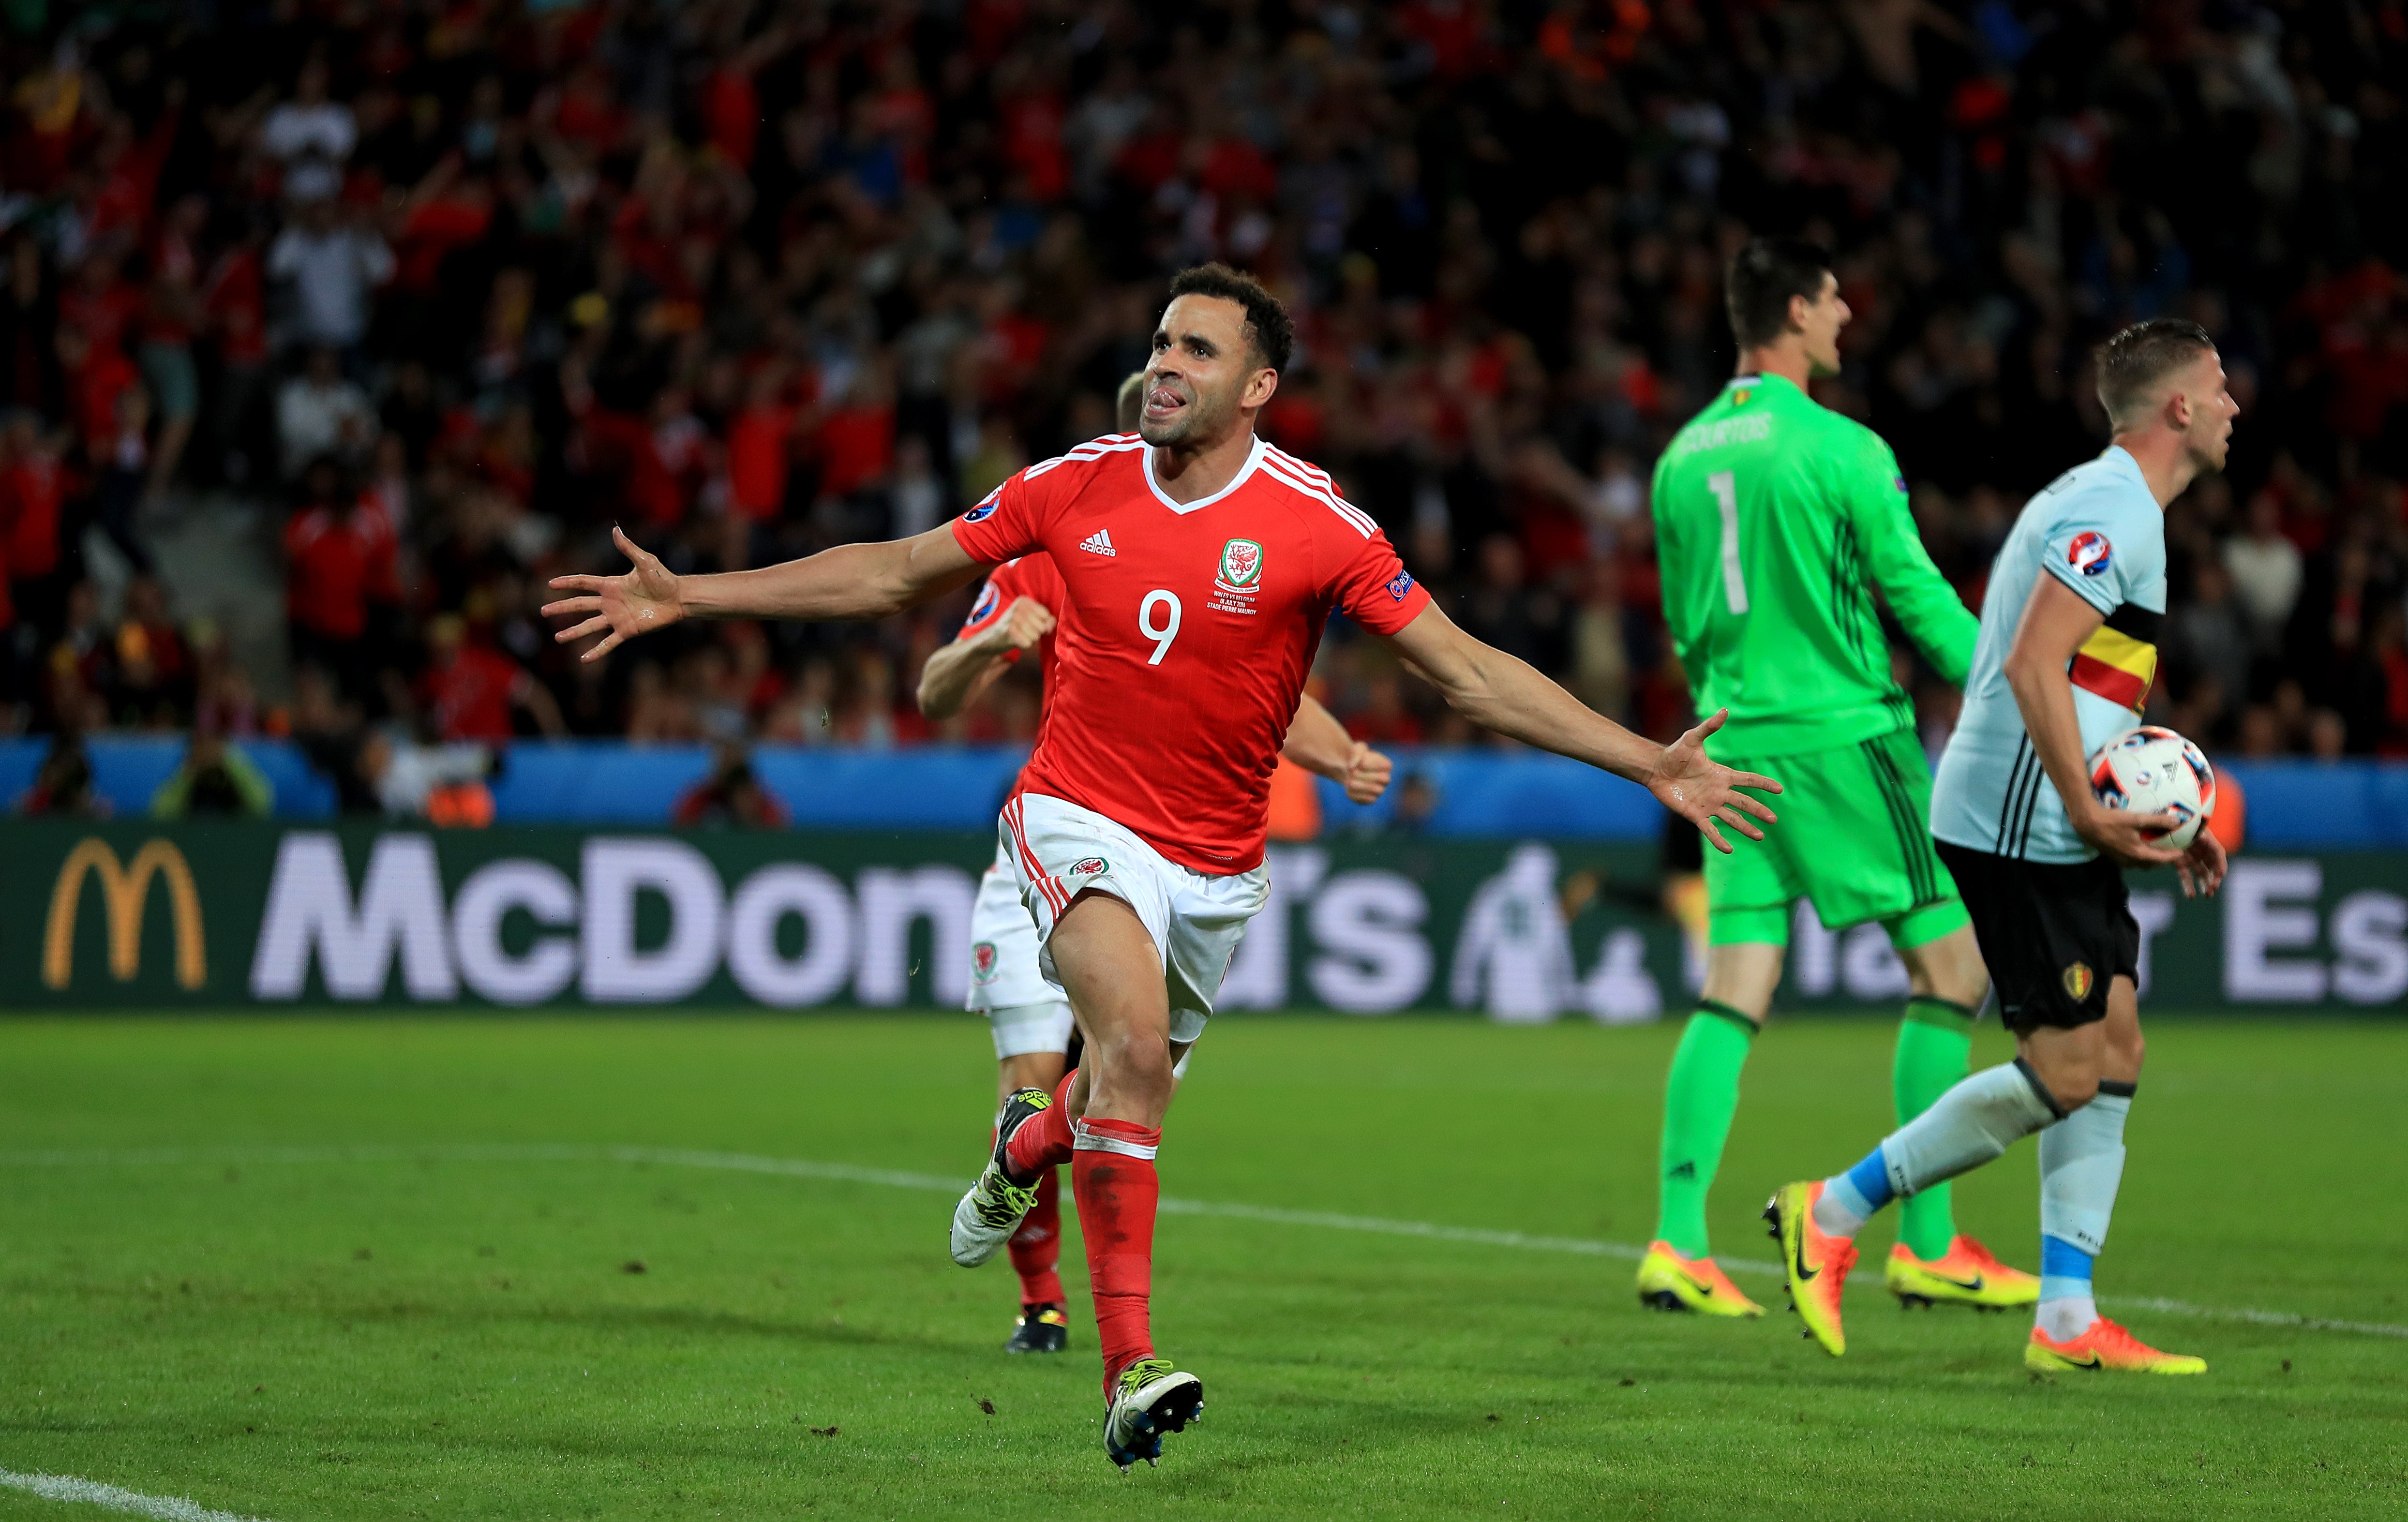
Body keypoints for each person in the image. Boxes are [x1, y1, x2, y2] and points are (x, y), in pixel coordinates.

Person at [545, 263, 1780, 1469]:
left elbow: (1463, 671)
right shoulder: (1071, 485)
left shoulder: (1316, 524)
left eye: (1196, 349)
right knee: (1126, 1047)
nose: (1163, 365)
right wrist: (689, 597)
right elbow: (891, 573)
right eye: (1159, 342)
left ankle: (1024, 1153)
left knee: (1110, 1103)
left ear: (1258, 386)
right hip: (1074, 815)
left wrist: (1646, 764)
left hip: (1217, 871)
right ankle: (1128, 1371)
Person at [1763, 317, 2236, 1373]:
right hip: (2022, 822)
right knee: (2066, 1068)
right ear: (2176, 410)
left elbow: (2077, 681)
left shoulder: (2103, 502)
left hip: (2047, 811)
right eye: (2217, 389)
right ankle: (1831, 1210)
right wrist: (2081, 809)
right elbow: (2032, 664)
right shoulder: (2115, 509)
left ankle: (2064, 1316)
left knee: (2114, 1042)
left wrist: (2163, 817)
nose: (2231, 407)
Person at [1637, 238, 2030, 1320]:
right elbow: (1915, 596)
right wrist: (2020, 697)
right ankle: (1928, 1242)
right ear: (1796, 312)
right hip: (1843, 740)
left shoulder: (1678, 459)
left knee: (1733, 991)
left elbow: (1681, 619)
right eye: (1833, 298)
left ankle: (1676, 1239)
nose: (1848, 312)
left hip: (1726, 747)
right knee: (1951, 975)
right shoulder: (1842, 447)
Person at [915, 512, 1392, 1356]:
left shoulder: (1219, 556)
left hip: (1170, 868)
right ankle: (1042, 1303)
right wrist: (988, 641)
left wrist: (1342, 754)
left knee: (1119, 1080)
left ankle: (1016, 1158)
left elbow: (1267, 698)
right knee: (1031, 1073)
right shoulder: (1055, 547)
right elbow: (935, 696)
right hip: (1059, 840)